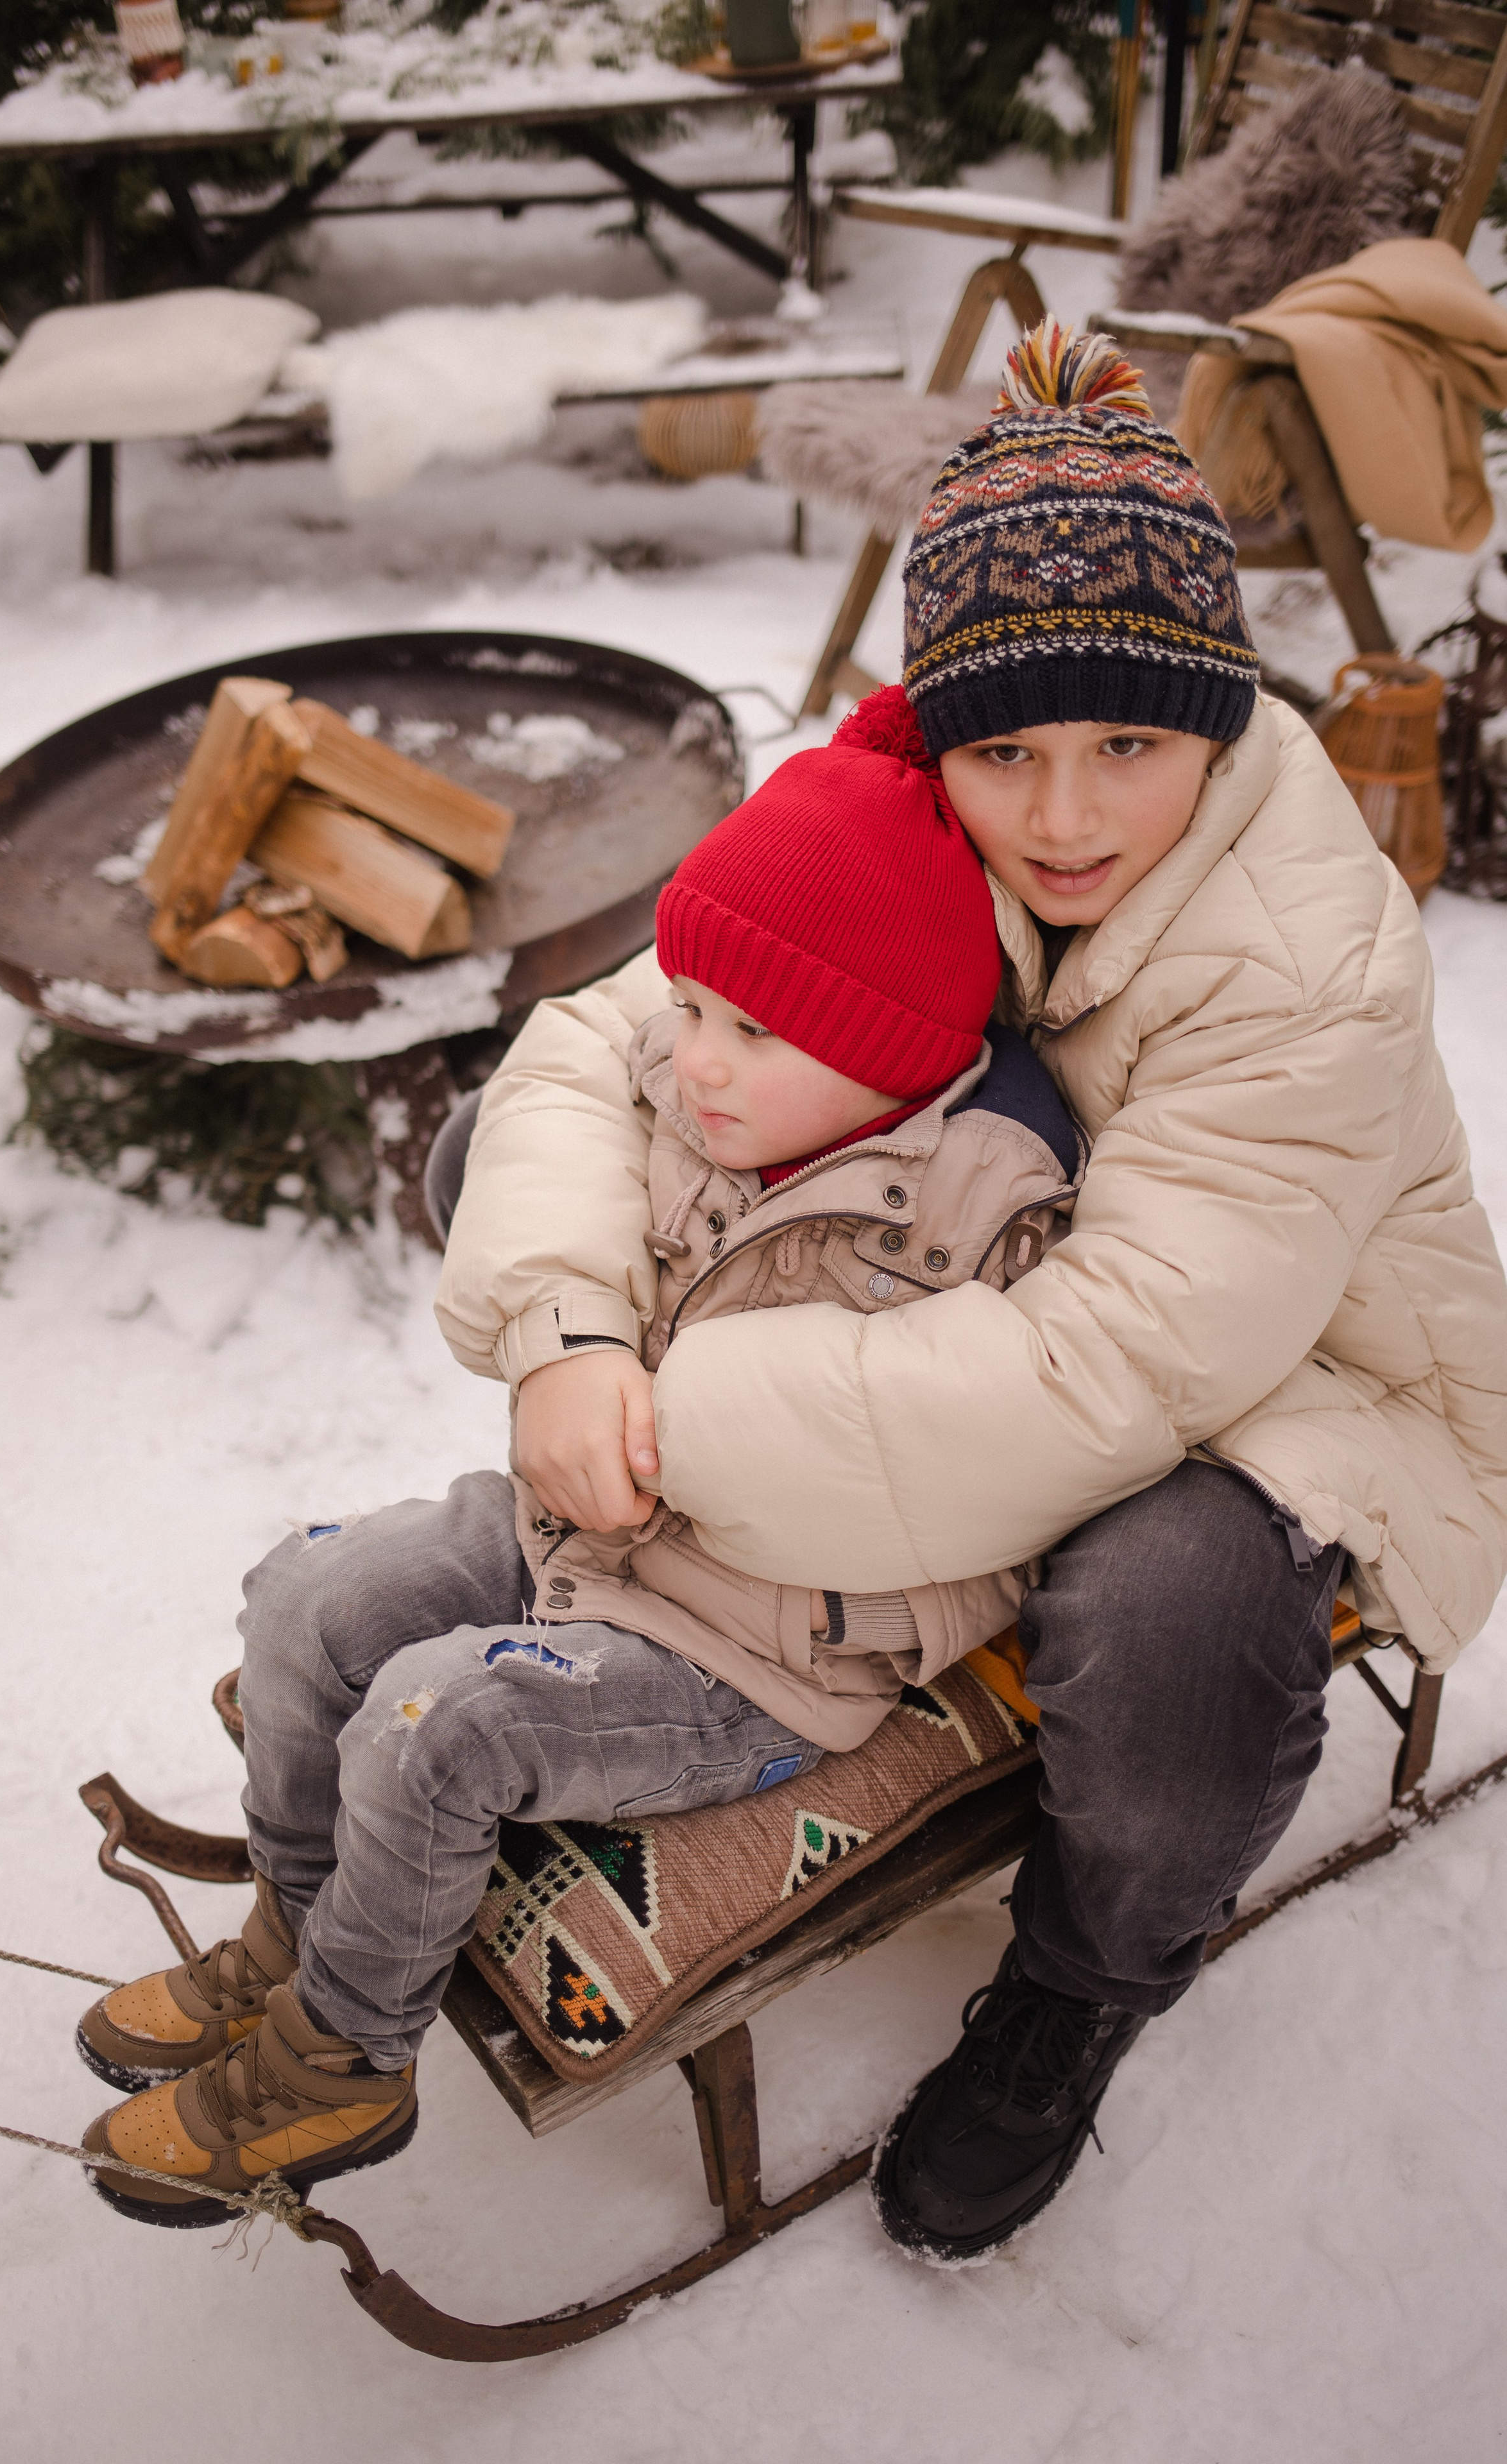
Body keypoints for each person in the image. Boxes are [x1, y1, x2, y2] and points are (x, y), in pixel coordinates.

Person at [429, 321, 1507, 2263]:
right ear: (937, 736)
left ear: (1221, 722)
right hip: (974, 1253)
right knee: (524, 1184)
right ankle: (671, 1606)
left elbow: (1129, 1364)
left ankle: (1091, 1970)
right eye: (1005, 751)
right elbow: (606, 1040)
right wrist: (573, 1330)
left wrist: (672, 1422)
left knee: (1166, 1594)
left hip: (1280, 1375)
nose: (1069, 817)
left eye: (1131, 749)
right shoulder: (913, 800)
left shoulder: (1304, 952)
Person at [73, 612, 1087, 2225]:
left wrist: (699, 1465)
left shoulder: (986, 1227)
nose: (694, 1062)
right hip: (582, 1540)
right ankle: (301, 1917)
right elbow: (564, 1152)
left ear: (888, 1057)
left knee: (435, 1721)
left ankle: (337, 2063)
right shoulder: (702, 1094)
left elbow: (985, 1481)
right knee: (307, 1597)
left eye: (751, 1034)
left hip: (755, 1650)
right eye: (690, 1012)